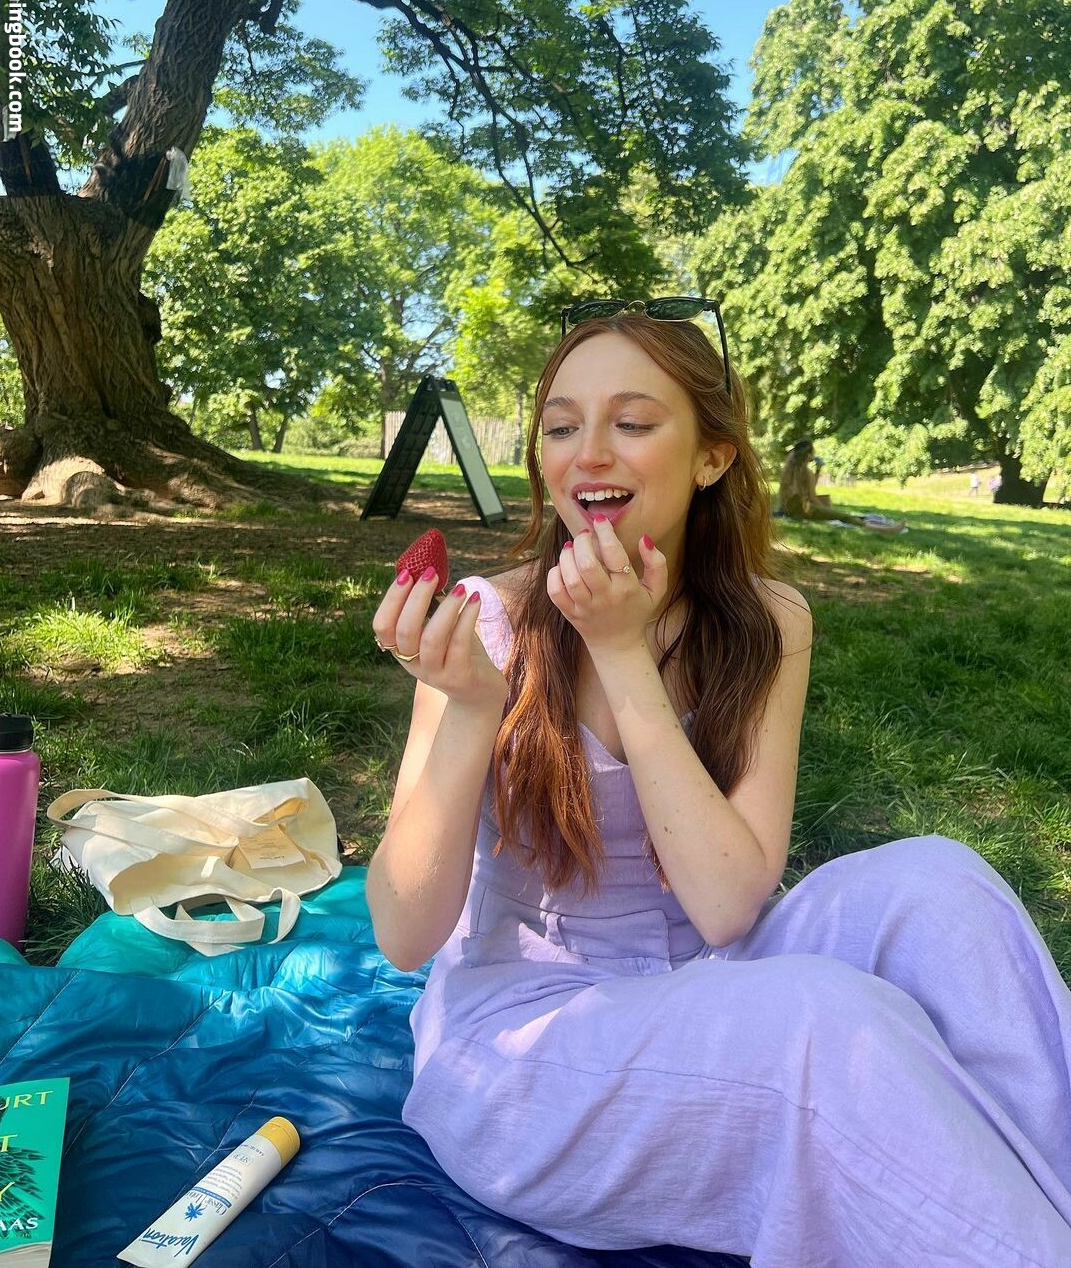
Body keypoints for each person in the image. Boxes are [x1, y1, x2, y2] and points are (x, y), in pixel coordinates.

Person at [369, 307, 1071, 1265]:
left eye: (632, 421)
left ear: (711, 457)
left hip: (713, 964)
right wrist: (468, 710)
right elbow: (404, 936)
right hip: (532, 1045)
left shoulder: (769, 623)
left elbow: (728, 903)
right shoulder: (488, 621)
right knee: (825, 1024)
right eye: (562, 426)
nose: (588, 453)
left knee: (943, 887)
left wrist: (622, 653)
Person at [777, 439, 906, 533]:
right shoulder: (807, 472)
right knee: (844, 516)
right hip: (803, 510)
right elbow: (812, 496)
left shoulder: (788, 470)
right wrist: (827, 511)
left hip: (789, 509)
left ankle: (873, 524)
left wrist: (818, 471)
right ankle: (884, 529)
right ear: (809, 455)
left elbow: (804, 489)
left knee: (830, 504)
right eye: (813, 452)